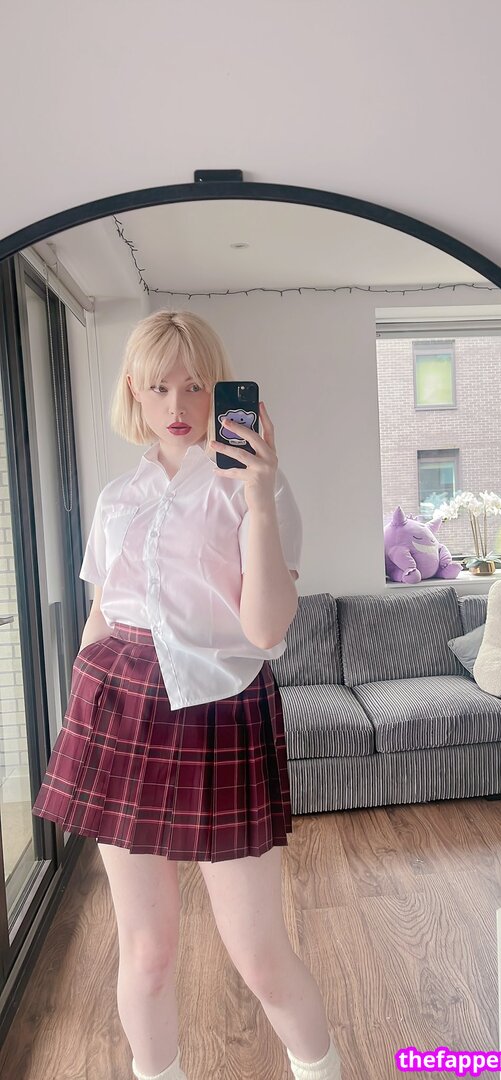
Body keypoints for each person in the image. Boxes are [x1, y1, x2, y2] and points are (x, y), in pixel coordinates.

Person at [32, 311, 342, 1080]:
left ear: (220, 391)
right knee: (146, 952)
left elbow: (265, 630)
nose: (178, 402)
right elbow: (103, 614)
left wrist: (260, 499)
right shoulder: (117, 499)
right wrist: (78, 710)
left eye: (196, 385)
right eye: (159, 385)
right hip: (119, 710)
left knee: (260, 954)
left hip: (220, 713)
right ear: (133, 392)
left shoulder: (254, 489)